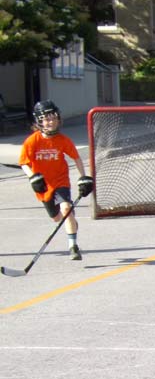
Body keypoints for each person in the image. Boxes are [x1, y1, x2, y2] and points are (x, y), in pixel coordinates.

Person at [19, 100, 93, 261]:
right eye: (46, 119)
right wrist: (32, 176)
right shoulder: (33, 141)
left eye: (53, 118)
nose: (50, 122)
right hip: (43, 186)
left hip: (60, 182)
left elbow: (76, 158)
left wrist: (83, 177)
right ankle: (70, 220)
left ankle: (73, 246)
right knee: (57, 218)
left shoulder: (63, 140)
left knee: (66, 208)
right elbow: (24, 162)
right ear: (39, 121)